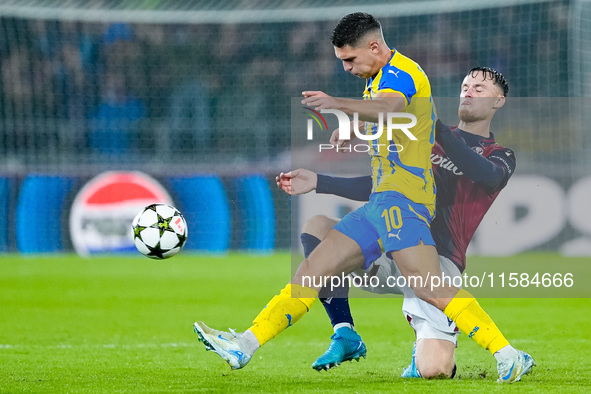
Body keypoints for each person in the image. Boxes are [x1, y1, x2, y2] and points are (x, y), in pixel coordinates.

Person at [193, 13, 530, 383]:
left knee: (433, 295)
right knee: (312, 270)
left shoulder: (403, 73)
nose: (347, 68)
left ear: (374, 47)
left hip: (406, 207)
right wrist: (349, 136)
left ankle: (507, 354)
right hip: (380, 206)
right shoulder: (377, 83)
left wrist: (335, 104)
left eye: (350, 60)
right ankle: (245, 343)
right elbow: (386, 132)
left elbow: (390, 109)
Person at [278, 67, 534, 381]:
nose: (468, 92)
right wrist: (320, 181)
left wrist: (436, 129)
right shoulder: (424, 138)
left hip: (437, 262)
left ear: (499, 101)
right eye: (465, 86)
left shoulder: (499, 154)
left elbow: (487, 176)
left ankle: (431, 354)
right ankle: (345, 332)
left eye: (479, 89)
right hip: (391, 249)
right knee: (318, 226)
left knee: (434, 371)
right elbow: (383, 186)